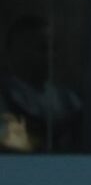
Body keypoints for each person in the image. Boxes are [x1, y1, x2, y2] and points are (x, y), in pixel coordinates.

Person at [0, 15, 82, 152]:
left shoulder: (70, 100)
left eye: (53, 48)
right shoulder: (4, 97)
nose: (51, 55)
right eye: (42, 48)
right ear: (16, 51)